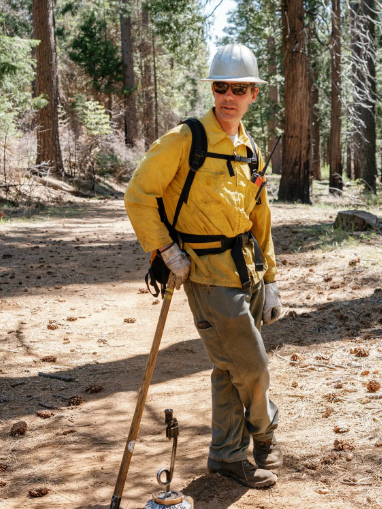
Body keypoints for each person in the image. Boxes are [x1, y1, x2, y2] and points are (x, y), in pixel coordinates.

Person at [123, 43, 284, 488]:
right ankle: (265, 434)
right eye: (220, 86)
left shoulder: (249, 148)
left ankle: (228, 456)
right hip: (206, 275)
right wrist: (164, 250)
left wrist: (270, 278)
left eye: (239, 88)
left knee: (230, 369)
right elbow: (138, 195)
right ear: (212, 89)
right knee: (251, 366)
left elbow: (260, 218)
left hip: (246, 269)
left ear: (253, 93)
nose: (228, 95)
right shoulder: (185, 140)